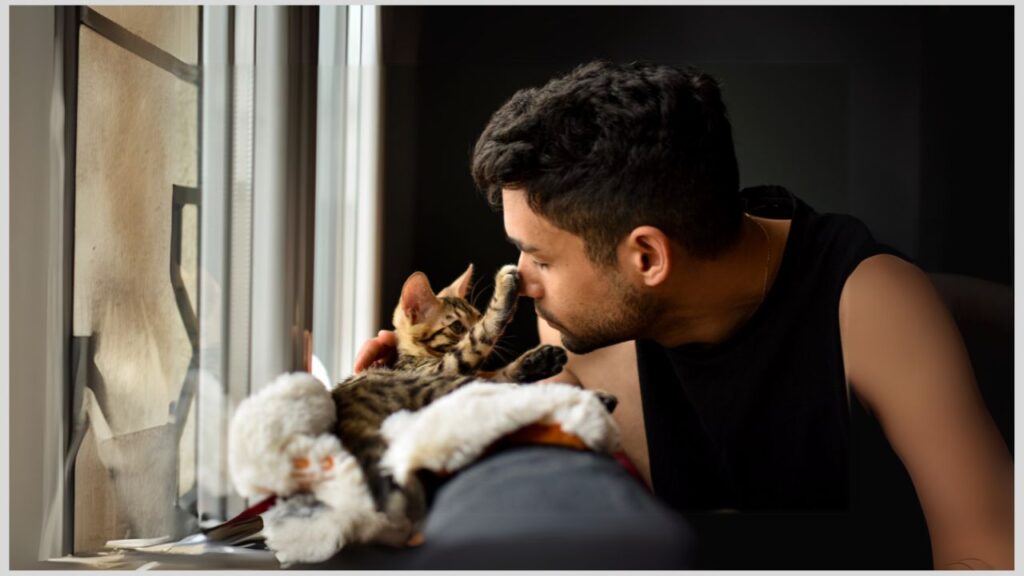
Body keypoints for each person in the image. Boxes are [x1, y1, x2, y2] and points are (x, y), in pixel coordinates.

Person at [355, 61, 1012, 569]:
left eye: (538, 258)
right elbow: (535, 471)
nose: (521, 285)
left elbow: (990, 556)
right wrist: (402, 410)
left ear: (647, 256)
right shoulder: (578, 329)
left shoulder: (871, 302)